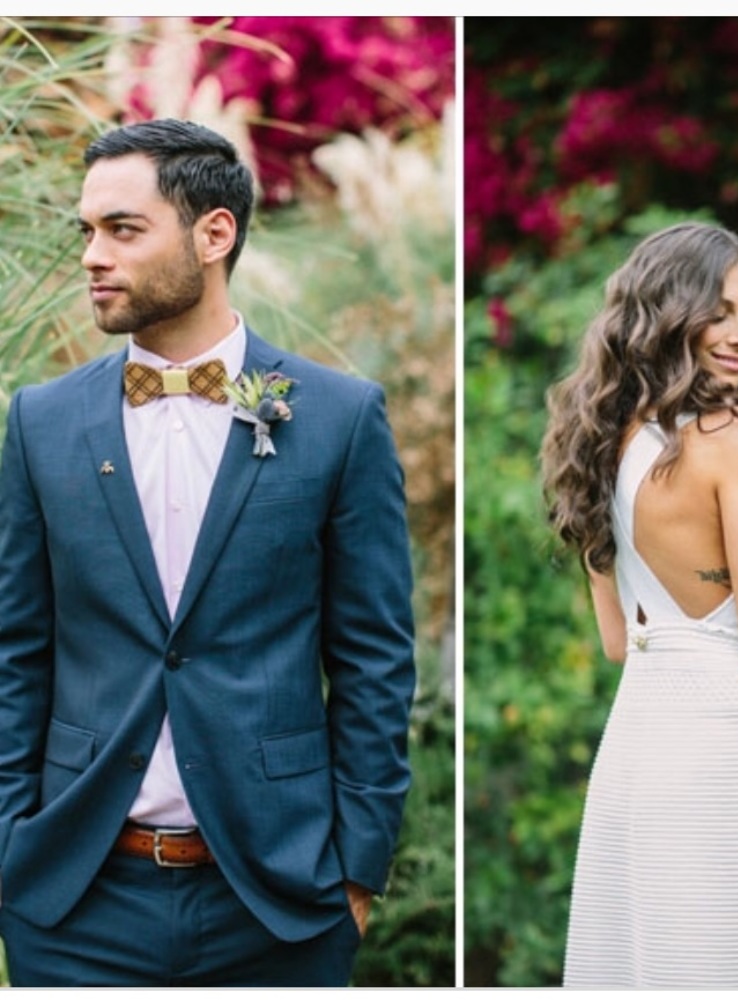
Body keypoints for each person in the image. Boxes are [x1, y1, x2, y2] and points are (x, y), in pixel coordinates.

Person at [0, 118, 416, 986]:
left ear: (214, 233)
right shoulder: (41, 423)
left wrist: (356, 869)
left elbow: (374, 659)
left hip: (278, 902)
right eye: (87, 232)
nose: (91, 257)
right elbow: (16, 651)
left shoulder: (339, 418)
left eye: (123, 229)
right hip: (74, 904)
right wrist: (10, 845)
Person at [540, 222, 738, 988]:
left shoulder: (596, 439)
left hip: (641, 746)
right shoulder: (735, 437)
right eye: (721, 314)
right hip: (730, 750)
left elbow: (615, 642)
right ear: (670, 314)